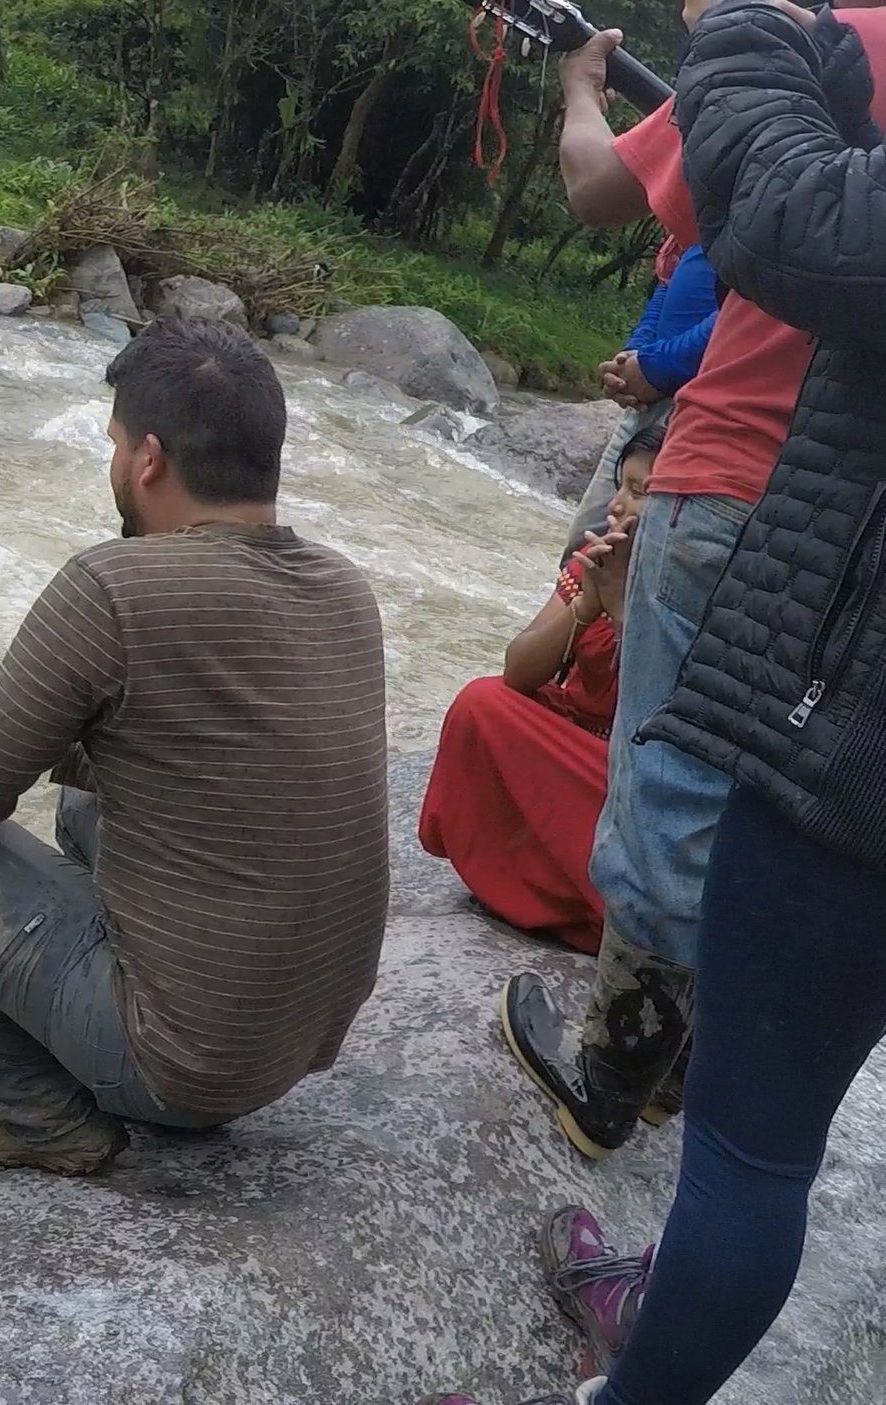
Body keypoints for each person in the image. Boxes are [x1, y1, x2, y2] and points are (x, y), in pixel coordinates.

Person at [431, 4, 886, 1402]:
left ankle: (618, 1075)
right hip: (815, 544)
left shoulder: (839, 37)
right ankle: (680, 1106)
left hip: (765, 516)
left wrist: (592, 80)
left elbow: (616, 184)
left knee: (672, 781)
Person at [0, 318, 389, 1176]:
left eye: (113, 444)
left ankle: (44, 1117)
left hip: (180, 1070)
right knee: (86, 799)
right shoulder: (347, 587)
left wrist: (35, 722)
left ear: (148, 461)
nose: (114, 464)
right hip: (298, 1045)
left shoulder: (112, 585)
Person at [421, 430, 659, 954]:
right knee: (482, 704)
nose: (617, 504)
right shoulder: (590, 564)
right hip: (573, 743)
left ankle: (585, 906)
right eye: (622, 486)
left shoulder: (690, 588)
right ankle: (525, 883)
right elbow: (518, 673)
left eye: (640, 491)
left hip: (632, 770)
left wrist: (621, 607)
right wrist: (588, 602)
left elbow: (660, 711)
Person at [562, 241, 717, 562]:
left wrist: (655, 366)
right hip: (650, 395)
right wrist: (634, 355)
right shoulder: (699, 209)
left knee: (634, 560)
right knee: (583, 552)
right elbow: (668, 279)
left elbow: (748, 308)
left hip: (705, 406)